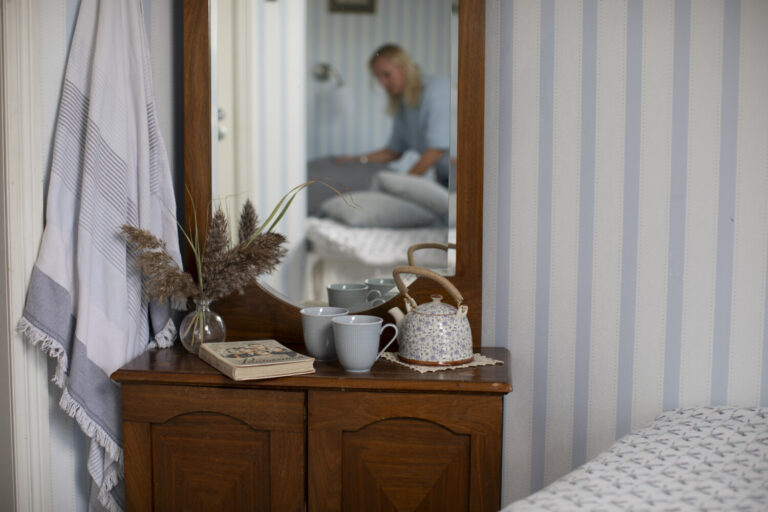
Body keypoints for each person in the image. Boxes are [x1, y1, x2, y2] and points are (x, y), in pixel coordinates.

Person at [336, 44, 451, 187]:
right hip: (445, 178)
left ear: (403, 67)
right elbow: (393, 151)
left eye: (386, 75)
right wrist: (356, 159)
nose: (382, 83)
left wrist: (401, 185)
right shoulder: (404, 103)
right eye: (378, 77)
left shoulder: (437, 90)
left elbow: (436, 149)